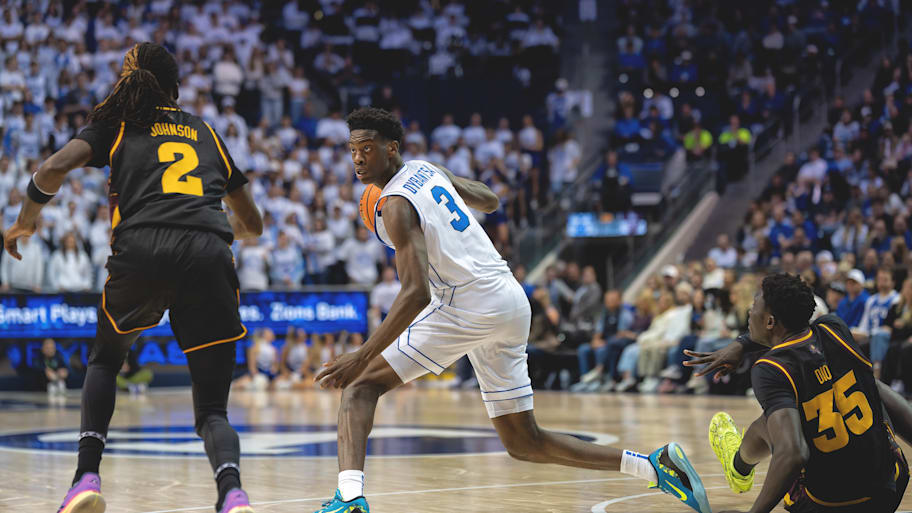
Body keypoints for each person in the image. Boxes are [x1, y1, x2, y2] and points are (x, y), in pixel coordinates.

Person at [311, 107, 710, 513]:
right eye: (352, 150)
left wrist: (360, 355)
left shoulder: (394, 205)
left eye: (366, 149)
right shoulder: (424, 169)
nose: (358, 159)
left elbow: (416, 293)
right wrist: (444, 179)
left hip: (467, 304)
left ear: (390, 148)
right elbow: (490, 199)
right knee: (523, 441)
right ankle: (655, 468)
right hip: (509, 299)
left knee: (360, 384)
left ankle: (350, 498)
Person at [3, 44, 262, 513]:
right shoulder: (206, 131)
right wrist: (217, 233)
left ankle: (86, 479)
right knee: (213, 411)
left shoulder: (117, 124)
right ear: (174, 85)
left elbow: (51, 169)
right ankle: (232, 494)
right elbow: (254, 224)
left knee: (105, 361)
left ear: (130, 81)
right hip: (208, 253)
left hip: (141, 248)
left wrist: (25, 223)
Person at [685, 274, 911, 513]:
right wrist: (741, 343)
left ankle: (738, 467)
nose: (749, 313)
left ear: (770, 321)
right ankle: (738, 468)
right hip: (890, 487)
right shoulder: (834, 328)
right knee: (871, 385)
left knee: (769, 423)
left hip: (828, 506)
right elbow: (800, 331)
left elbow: (793, 453)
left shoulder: (770, 368)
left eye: (753, 307)